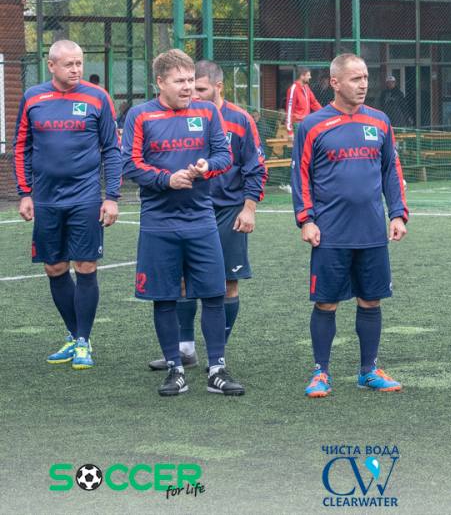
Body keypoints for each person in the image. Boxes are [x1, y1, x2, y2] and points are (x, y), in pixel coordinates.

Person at [122, 49, 244, 397]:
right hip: (158, 223)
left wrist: (207, 167)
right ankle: (175, 369)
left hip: (201, 219)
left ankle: (217, 369)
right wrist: (166, 179)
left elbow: (224, 156)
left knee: (214, 293)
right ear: (160, 82)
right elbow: (129, 164)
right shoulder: (140, 115)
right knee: (164, 296)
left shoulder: (207, 112)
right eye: (180, 81)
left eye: (191, 80)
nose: (188, 87)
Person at [292, 53, 409, 398]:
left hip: (372, 231)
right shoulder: (312, 125)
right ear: (335, 82)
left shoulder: (380, 121)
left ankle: (368, 370)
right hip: (330, 232)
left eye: (365, 78)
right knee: (326, 303)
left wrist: (397, 214)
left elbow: (391, 171)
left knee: (371, 301)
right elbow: (300, 176)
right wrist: (306, 219)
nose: (363, 84)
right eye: (356, 78)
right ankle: (320, 372)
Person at [147, 60, 267, 371]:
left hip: (228, 211)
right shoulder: (179, 115)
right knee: (181, 281)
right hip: (188, 210)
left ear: (219, 87)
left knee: (226, 283)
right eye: (188, 85)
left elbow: (255, 167)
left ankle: (218, 352)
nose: (193, 93)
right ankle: (185, 349)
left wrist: (249, 208)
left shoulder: (239, 120)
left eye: (200, 88)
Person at [13, 39, 121, 369]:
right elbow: (22, 147)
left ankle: (84, 341)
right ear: (51, 65)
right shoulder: (33, 98)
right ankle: (75, 336)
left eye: (79, 63)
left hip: (85, 198)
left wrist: (111, 197)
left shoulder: (98, 97)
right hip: (46, 199)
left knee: (85, 267)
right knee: (55, 268)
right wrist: (25, 192)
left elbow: (112, 149)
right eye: (69, 64)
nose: (76, 69)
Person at [286, 66, 322, 135]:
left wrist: (324, 113)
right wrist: (290, 131)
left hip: (306, 122)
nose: (310, 77)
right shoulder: (293, 89)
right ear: (302, 76)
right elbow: (289, 110)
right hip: (297, 124)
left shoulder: (306, 87)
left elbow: (314, 103)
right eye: (308, 75)